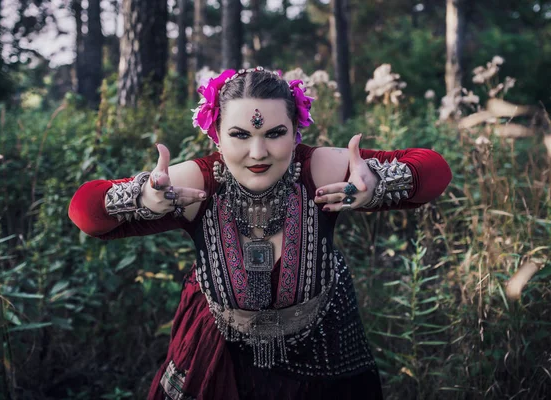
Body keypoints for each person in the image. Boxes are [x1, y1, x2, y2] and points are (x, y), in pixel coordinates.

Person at [68, 67, 452, 400]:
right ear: (215, 134)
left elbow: (435, 171)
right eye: (239, 134)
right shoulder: (196, 182)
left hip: (319, 349)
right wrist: (142, 197)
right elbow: (84, 211)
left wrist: (375, 185)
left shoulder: (318, 168)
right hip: (219, 352)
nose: (257, 152)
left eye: (274, 133)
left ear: (296, 131)